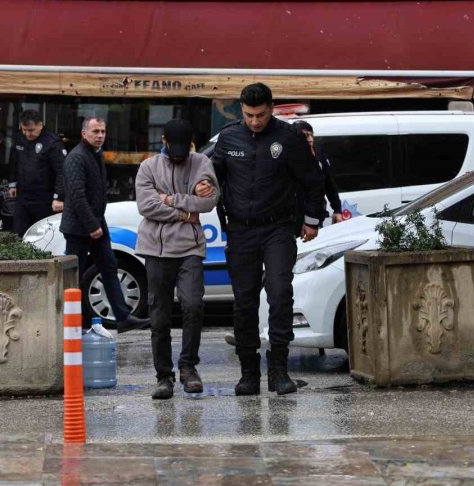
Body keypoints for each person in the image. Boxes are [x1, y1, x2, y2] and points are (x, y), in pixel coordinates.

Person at [212, 83, 324, 396]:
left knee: (279, 292)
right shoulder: (229, 136)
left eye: (260, 115)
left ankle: (279, 370)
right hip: (241, 230)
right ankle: (249, 373)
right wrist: (201, 190)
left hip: (278, 228)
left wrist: (312, 220)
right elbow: (211, 176)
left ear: (271, 108)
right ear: (241, 111)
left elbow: (313, 181)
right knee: (244, 301)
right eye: (249, 115)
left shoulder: (288, 138)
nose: (255, 121)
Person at [135, 119, 219, 400]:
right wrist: (184, 212)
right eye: (175, 147)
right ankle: (163, 375)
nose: (180, 153)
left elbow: (209, 202)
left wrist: (169, 200)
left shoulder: (201, 163)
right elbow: (146, 206)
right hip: (156, 250)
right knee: (159, 316)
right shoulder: (148, 167)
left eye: (185, 147)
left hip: (190, 249)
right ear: (164, 141)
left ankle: (188, 368)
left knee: (193, 305)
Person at [61, 117, 151, 334]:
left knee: (109, 268)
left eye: (102, 131)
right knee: (76, 276)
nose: (100, 135)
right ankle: (76, 320)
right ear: (84, 133)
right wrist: (92, 225)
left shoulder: (96, 154)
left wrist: (97, 223)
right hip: (78, 228)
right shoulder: (76, 157)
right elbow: (77, 196)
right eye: (95, 131)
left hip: (96, 224)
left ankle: (123, 317)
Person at [7, 109, 66, 237]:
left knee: (41, 235)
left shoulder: (52, 142)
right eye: (24, 130)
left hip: (44, 197)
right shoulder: (19, 138)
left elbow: (62, 171)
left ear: (40, 125)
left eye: (31, 130)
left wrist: (59, 197)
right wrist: (12, 183)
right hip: (23, 195)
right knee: (18, 233)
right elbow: (13, 161)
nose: (27, 134)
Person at [291, 120, 343, 224]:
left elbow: (329, 183)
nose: (310, 139)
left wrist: (337, 209)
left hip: (316, 213)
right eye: (305, 136)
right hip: (294, 216)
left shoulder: (318, 153)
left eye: (311, 135)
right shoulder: (288, 156)